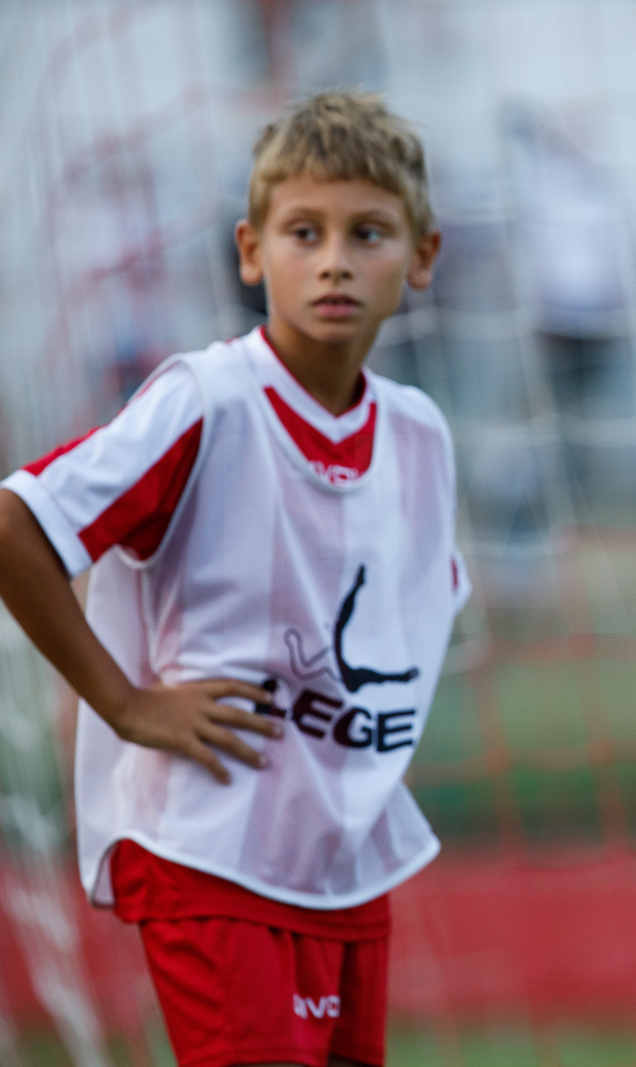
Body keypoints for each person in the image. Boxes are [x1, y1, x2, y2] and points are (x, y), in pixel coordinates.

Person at [0, 91, 466, 1067]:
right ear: (253, 252)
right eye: (305, 231)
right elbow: (17, 524)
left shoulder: (420, 433)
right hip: (209, 847)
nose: (334, 257)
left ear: (421, 256)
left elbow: (411, 612)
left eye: (367, 231)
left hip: (343, 855)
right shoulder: (205, 402)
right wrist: (124, 704)